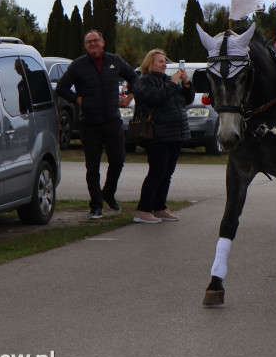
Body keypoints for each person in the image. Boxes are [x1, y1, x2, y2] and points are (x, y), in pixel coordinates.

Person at [56, 30, 138, 219]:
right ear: (85, 46)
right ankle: (96, 205)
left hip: (112, 120)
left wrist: (129, 97)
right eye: (89, 42)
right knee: (92, 167)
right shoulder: (78, 65)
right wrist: (78, 99)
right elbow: (61, 87)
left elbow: (134, 77)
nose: (93, 44)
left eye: (96, 40)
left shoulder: (114, 61)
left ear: (103, 42)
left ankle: (108, 193)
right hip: (89, 123)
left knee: (118, 161)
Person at [130, 49, 194, 224]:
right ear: (150, 63)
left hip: (175, 133)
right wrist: (173, 84)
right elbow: (155, 99)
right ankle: (143, 210)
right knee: (157, 171)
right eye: (160, 61)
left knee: (167, 173)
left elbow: (186, 100)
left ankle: (159, 208)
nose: (164, 64)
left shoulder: (168, 80)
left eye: (165, 61)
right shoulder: (144, 81)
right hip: (157, 134)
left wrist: (186, 84)